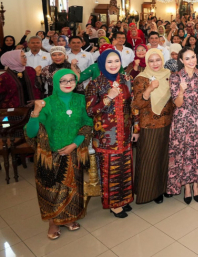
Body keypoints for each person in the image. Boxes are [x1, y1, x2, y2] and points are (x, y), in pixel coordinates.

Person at [25, 69, 93, 240]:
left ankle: (70, 218)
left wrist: (74, 144)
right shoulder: (46, 103)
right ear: (55, 83)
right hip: (51, 156)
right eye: (63, 81)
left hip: (73, 152)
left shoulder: (80, 99)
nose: (68, 83)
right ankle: (54, 222)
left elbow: (87, 123)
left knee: (73, 188)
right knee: (52, 191)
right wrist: (35, 112)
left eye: (71, 80)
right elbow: (32, 133)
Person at [85, 49, 134, 218]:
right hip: (106, 136)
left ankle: (124, 199)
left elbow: (131, 105)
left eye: (116, 61)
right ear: (102, 64)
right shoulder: (95, 84)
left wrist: (136, 128)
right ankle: (114, 204)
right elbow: (90, 111)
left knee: (125, 168)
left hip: (125, 133)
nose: (114, 65)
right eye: (109, 62)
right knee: (110, 170)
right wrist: (108, 98)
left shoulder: (126, 80)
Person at [168, 48, 198, 203]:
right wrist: (181, 90)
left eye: (193, 57)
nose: (191, 61)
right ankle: (187, 187)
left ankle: (196, 185)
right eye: (187, 58)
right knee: (185, 153)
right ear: (181, 60)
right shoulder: (175, 77)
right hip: (182, 119)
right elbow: (177, 103)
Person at [131, 48, 175, 205]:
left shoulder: (169, 75)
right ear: (147, 62)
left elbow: (174, 99)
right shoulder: (141, 79)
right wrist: (149, 89)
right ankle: (150, 192)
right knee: (150, 159)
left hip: (167, 123)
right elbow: (136, 104)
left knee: (165, 158)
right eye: (151, 60)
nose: (155, 64)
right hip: (149, 125)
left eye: (158, 60)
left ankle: (163, 187)